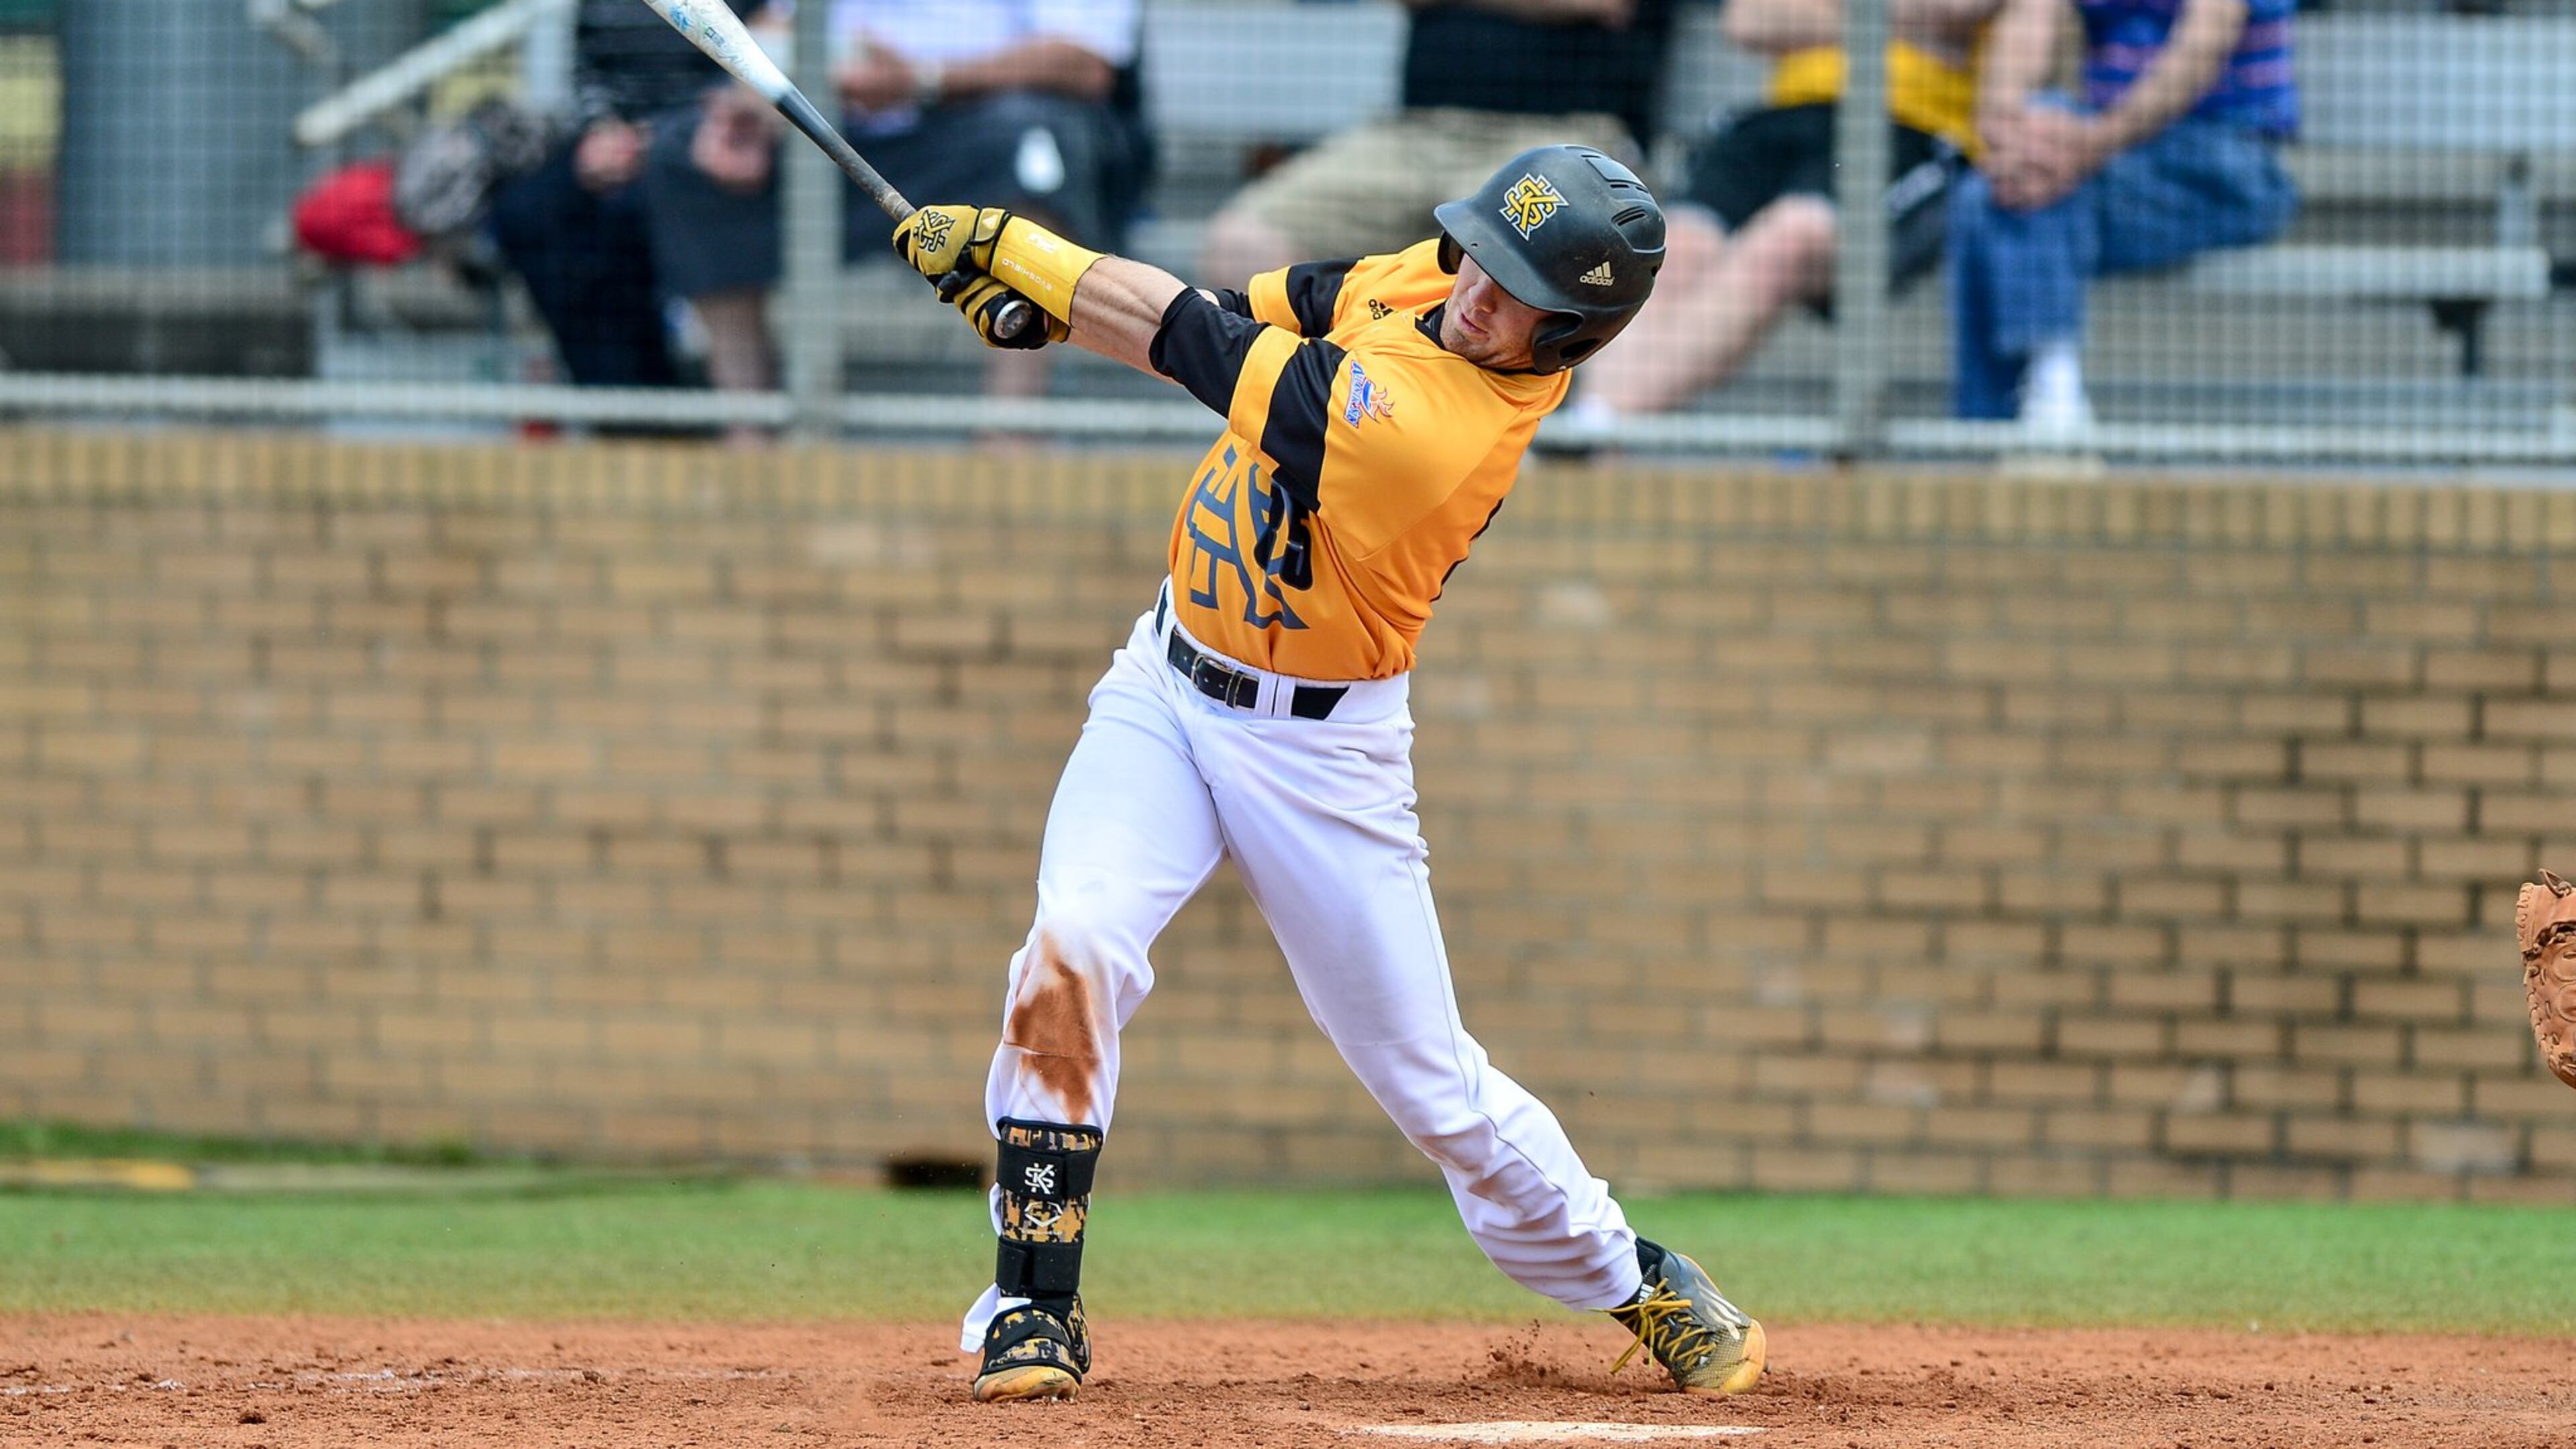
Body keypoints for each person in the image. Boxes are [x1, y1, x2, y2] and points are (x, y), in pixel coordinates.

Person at [885, 145, 1764, 1406]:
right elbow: (1264, 304)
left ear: (1573, 333)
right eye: (1483, 258)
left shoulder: (1440, 436)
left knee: (1427, 1082)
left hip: (1321, 751)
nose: (1479, 295)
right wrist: (1055, 314)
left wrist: (1028, 257)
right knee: (1071, 946)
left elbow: (1194, 344)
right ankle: (1032, 1302)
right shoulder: (1427, 283)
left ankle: (1633, 1274)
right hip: (1167, 683)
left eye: (1521, 293)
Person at [641, 0, 1142, 431]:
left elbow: (1086, 64)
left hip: (974, 131)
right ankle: (750, 427)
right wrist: (746, 106)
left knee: (1036, 144)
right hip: (834, 135)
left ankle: (1011, 432)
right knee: (680, 154)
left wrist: (924, 81)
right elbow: (781, 28)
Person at [1570, 0, 1998, 421]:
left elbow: (1958, 9)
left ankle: (1592, 427)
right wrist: (1895, 22)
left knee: (1791, 236)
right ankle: (1599, 429)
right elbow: (1750, 20)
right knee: (1671, 247)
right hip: (1782, 120)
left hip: (1907, 127)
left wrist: (1829, 14)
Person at [1947, 0, 2297, 429]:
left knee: (2033, 189)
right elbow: (2030, 19)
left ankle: (2043, 406)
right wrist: (2008, 136)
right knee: (1987, 193)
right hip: (2107, 161)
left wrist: (2092, 143)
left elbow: (2202, 46)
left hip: (2228, 163)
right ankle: (2014, 421)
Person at [1195, 0, 1676, 286]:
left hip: (1560, 141)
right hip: (1414, 133)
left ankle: (1513, 440)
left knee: (1500, 268)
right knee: (1241, 246)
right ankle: (1335, 410)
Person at [486, 0, 767, 390]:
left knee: (653, 209)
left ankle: (671, 400)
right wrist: (598, 131)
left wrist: (662, 136)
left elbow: (757, 59)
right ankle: (619, 404)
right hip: (614, 137)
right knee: (528, 210)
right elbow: (588, 67)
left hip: (706, 140)